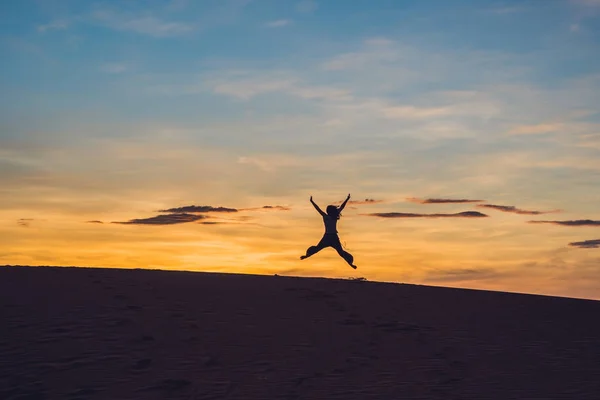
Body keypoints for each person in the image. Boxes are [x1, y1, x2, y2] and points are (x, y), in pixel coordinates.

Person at [300, 194, 357, 269]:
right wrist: (312, 202)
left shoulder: (326, 216)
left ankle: (350, 263)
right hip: (330, 237)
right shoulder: (329, 216)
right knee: (340, 252)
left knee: (319, 249)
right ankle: (307, 255)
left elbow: (319, 209)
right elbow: (319, 209)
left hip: (330, 237)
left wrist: (347, 199)